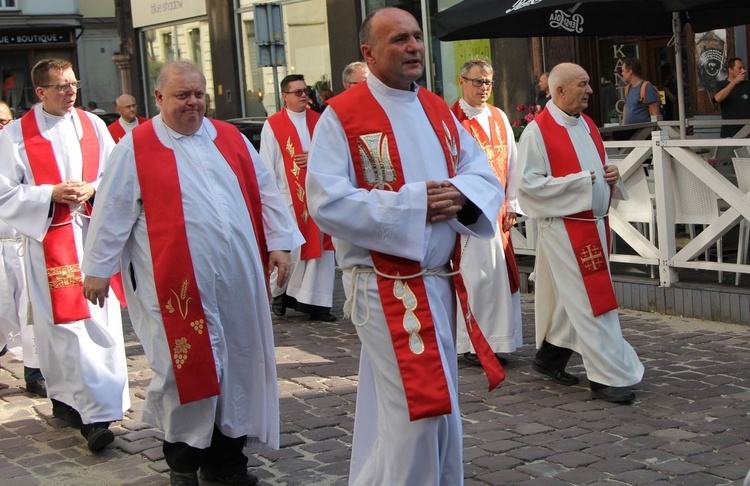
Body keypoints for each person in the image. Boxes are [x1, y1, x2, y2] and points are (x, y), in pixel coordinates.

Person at [306, 7, 505, 485]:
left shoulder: (438, 109)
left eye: (417, 36)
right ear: (368, 53)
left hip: (438, 284)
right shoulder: (344, 115)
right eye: (399, 39)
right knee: (423, 410)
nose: (414, 46)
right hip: (386, 287)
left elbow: (480, 172)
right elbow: (326, 201)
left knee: (427, 412)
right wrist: (416, 206)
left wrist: (462, 195)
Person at [81, 60, 302, 486]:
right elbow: (112, 209)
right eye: (183, 95)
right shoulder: (137, 146)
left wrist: (278, 242)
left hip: (237, 281)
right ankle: (183, 463)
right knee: (185, 373)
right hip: (176, 287)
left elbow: (266, 191)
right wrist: (96, 268)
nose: (193, 102)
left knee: (237, 367)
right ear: (159, 98)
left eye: (199, 93)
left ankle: (226, 466)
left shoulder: (230, 136)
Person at [0, 58, 129, 452]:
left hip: (92, 233)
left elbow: (117, 174)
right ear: (40, 92)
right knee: (67, 329)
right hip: (50, 242)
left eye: (73, 83)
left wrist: (92, 189)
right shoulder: (18, 134)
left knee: (100, 321)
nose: (71, 91)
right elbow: (4, 191)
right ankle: (85, 411)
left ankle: (97, 405)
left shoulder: (92, 125)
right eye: (61, 86)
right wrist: (49, 194)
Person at [516, 62, 644, 404]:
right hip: (566, 231)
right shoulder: (537, 132)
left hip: (594, 225)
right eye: (583, 85)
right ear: (560, 91)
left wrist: (611, 174)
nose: (590, 90)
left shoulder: (586, 124)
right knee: (592, 302)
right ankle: (606, 376)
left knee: (569, 300)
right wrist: (580, 183)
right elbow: (527, 188)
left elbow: (596, 168)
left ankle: (549, 358)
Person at [450, 59, 523, 367]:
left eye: (488, 83)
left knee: (497, 278)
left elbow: (514, 162)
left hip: (497, 212)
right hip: (467, 215)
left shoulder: (498, 116)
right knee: (475, 278)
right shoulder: (448, 119)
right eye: (477, 82)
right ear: (461, 81)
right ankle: (472, 342)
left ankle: (497, 341)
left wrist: (512, 205)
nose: (483, 89)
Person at [260, 74, 337, 322]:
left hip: (319, 196)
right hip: (288, 198)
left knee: (322, 252)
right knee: (292, 251)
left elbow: (335, 153)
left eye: (306, 91)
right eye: (297, 92)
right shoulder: (273, 125)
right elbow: (266, 166)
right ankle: (280, 293)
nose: (303, 96)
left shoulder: (321, 120)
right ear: (285, 96)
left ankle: (318, 303)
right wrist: (270, 201)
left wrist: (313, 157)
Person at [0, 100, 46, 398]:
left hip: (23, 243)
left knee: (30, 312)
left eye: (3, 120)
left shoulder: (21, 150)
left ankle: (35, 371)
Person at [713, 57, 750, 138]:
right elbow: (718, 98)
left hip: (747, 131)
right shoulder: (721, 84)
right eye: (740, 68)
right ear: (730, 70)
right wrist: (734, 82)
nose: (743, 71)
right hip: (729, 132)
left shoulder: (747, 85)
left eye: (744, 68)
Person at [620, 58, 660, 124]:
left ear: (630, 71)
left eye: (623, 71)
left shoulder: (647, 87)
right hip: (629, 131)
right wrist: (623, 125)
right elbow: (626, 107)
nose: (622, 73)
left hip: (644, 131)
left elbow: (656, 114)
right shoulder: (627, 89)